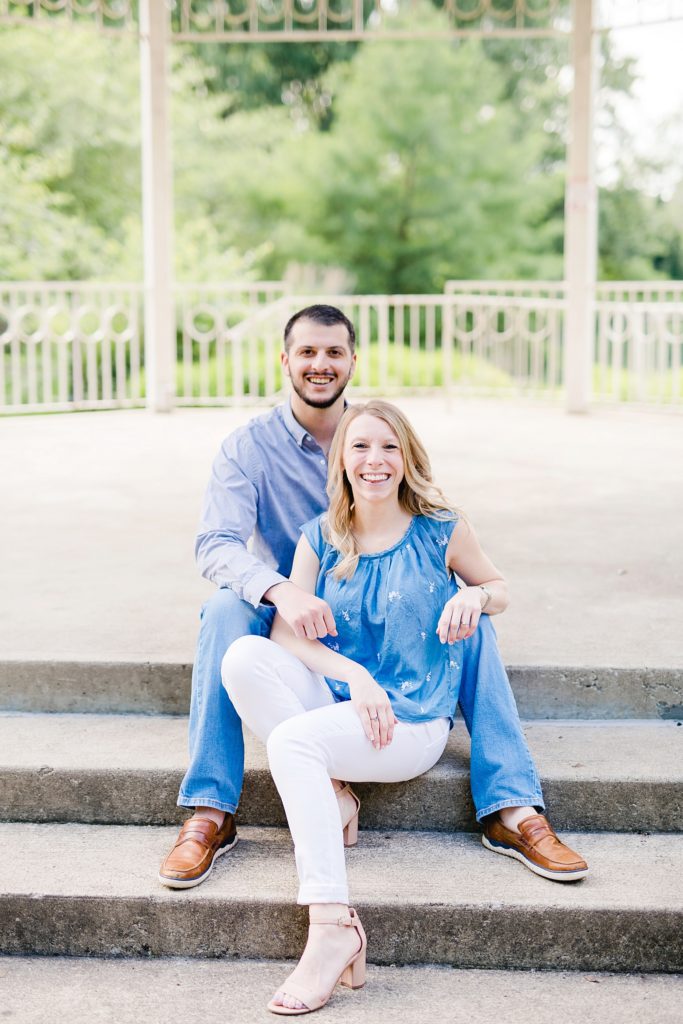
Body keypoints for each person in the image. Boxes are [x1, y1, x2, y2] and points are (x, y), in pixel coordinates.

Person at [222, 400, 588, 1016]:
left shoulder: (441, 529)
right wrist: (355, 675)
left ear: (407, 457)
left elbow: (498, 587)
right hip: (344, 702)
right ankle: (333, 795)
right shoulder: (320, 536)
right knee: (242, 657)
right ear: (342, 460)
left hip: (408, 725)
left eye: (388, 447)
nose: (375, 460)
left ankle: (332, 927)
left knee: (290, 743)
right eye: (360, 447)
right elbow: (287, 635)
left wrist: (474, 596)